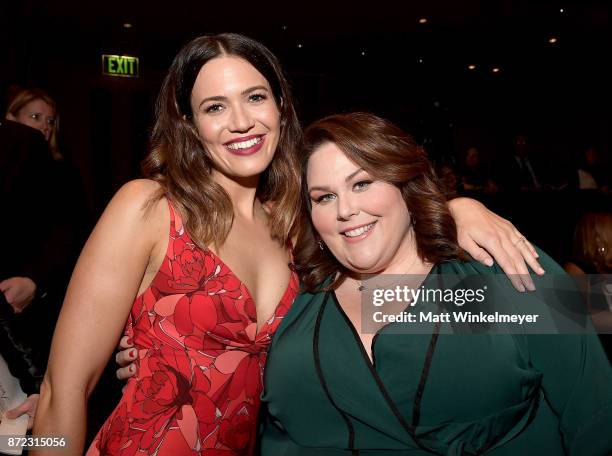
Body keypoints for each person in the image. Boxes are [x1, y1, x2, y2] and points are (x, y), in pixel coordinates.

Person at [32, 34, 542, 456]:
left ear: (279, 105)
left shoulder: (301, 223)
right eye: (215, 107)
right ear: (189, 125)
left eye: (255, 97)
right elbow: (62, 390)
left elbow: (387, 264)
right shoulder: (147, 208)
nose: (241, 122)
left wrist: (457, 210)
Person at [259, 112, 612, 455]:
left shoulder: (500, 264)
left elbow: (596, 409)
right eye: (324, 197)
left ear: (404, 184)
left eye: (362, 183)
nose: (345, 210)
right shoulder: (297, 295)